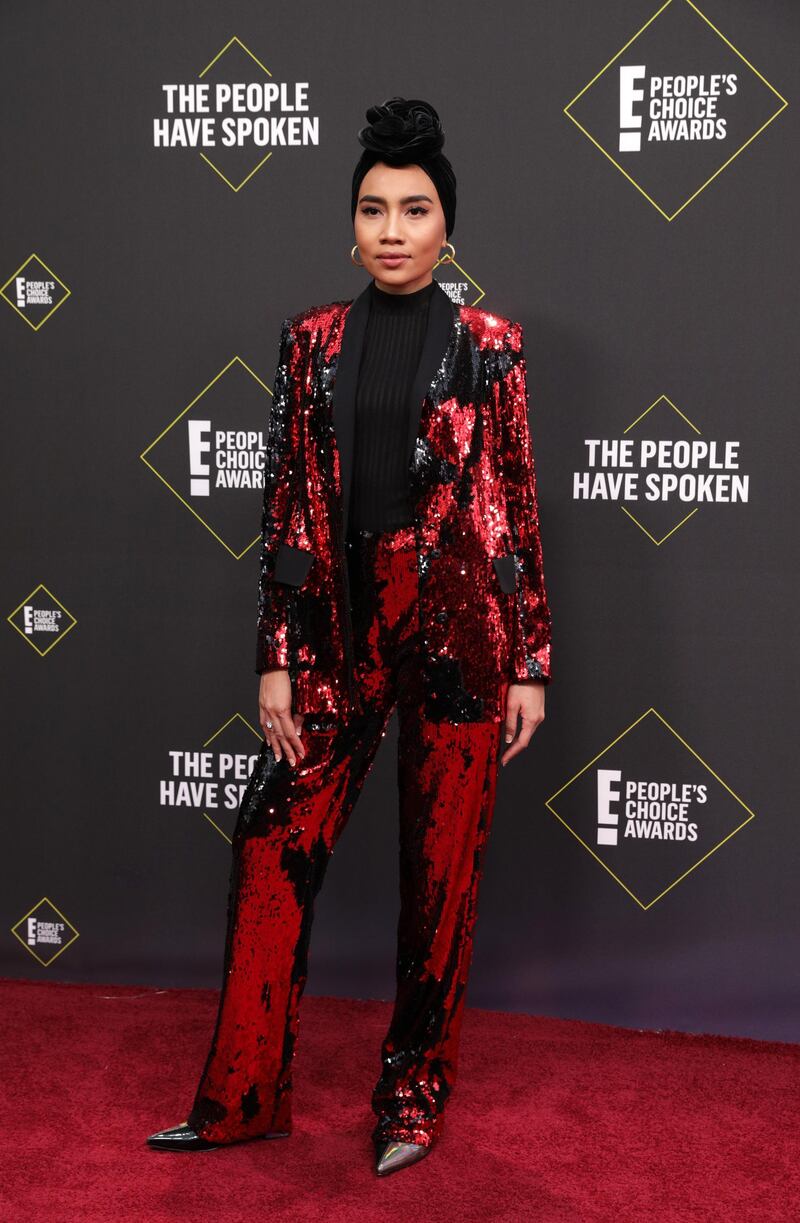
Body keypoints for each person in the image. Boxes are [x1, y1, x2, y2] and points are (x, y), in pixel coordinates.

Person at [147, 96, 552, 1177]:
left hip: (461, 628)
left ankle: (410, 1102)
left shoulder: (489, 346)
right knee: (272, 839)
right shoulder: (308, 342)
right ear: (350, 225)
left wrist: (529, 657)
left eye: (413, 209)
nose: (390, 228)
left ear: (443, 228)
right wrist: (277, 649)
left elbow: (513, 504)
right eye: (372, 208)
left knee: (441, 876)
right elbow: (285, 503)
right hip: (335, 624)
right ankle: (239, 1099)